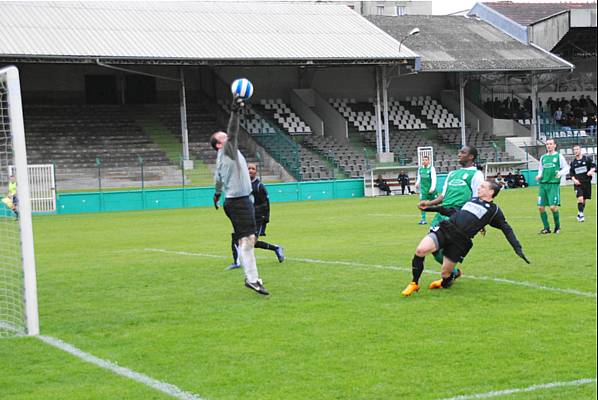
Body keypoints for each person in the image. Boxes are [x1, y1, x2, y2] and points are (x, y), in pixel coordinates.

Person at [401, 181, 530, 296]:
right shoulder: (472, 199)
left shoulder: (494, 210)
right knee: (421, 250)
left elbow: (506, 228)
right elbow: (454, 212)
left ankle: (446, 281)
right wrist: (430, 208)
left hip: (461, 241)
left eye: (483, 187)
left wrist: (517, 248)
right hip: (447, 228)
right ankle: (414, 283)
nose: (479, 188)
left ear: (491, 192)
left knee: (446, 274)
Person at [211, 96, 269, 295]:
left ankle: (251, 277)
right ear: (219, 145)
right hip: (239, 201)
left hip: (234, 201)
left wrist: (217, 195)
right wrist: (235, 111)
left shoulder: (221, 159)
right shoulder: (228, 150)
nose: (227, 138)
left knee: (248, 239)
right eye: (223, 138)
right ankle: (252, 279)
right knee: (248, 239)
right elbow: (233, 131)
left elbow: (217, 181)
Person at [420, 146, 485, 273]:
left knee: (446, 248)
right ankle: (453, 272)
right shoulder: (452, 174)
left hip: (457, 216)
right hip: (441, 214)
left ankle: (450, 273)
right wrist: (428, 203)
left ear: (471, 157)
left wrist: (480, 221)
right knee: (433, 248)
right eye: (460, 151)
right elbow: (443, 196)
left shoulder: (476, 174)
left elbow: (479, 198)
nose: (459, 154)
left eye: (463, 152)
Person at [227, 163, 285, 269]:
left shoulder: (259, 186)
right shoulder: (242, 185)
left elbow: (266, 203)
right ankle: (236, 262)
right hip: (244, 216)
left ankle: (276, 248)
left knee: (252, 242)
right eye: (248, 168)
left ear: (256, 172)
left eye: (253, 169)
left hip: (258, 218)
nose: (250, 170)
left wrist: (265, 218)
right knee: (235, 236)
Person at [536, 138, 568, 234]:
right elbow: (541, 169)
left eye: (550, 144)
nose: (549, 146)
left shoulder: (559, 156)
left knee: (552, 207)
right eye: (547, 144)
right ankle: (546, 228)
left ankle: (557, 227)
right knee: (540, 207)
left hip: (553, 184)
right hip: (543, 184)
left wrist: (560, 173)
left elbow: (566, 168)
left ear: (555, 145)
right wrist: (539, 175)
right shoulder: (543, 157)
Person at [569, 144, 596, 222]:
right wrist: (574, 180)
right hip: (578, 184)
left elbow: (594, 166)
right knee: (580, 199)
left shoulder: (587, 159)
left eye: (577, 149)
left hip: (587, 183)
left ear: (580, 150)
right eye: (574, 150)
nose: (576, 151)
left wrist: (591, 171)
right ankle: (581, 215)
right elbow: (571, 174)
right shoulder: (573, 162)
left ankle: (579, 213)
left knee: (584, 200)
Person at [415, 155, 437, 225]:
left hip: (431, 190)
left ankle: (440, 218)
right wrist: (417, 183)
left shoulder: (431, 168)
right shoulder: (420, 169)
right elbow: (419, 177)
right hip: (423, 190)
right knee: (422, 204)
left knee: (436, 204)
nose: (424, 161)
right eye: (423, 160)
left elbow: (434, 178)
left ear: (428, 161)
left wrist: (432, 188)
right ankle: (423, 219)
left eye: (425, 160)